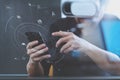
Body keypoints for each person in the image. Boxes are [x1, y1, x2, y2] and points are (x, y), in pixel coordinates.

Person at [26, 0, 120, 77]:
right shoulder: (59, 26)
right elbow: (38, 75)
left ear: (102, 8)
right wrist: (34, 62)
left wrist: (85, 46)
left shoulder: (111, 23)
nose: (84, 15)